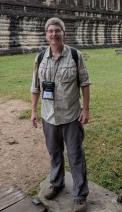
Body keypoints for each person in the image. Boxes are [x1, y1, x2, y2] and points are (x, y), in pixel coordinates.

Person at [30, 17, 91, 212]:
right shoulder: (40, 58)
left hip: (71, 115)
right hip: (49, 116)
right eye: (50, 31)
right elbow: (35, 87)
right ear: (46, 34)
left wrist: (86, 109)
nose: (54, 34)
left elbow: (85, 83)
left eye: (58, 30)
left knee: (75, 155)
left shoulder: (75, 55)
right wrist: (33, 111)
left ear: (64, 33)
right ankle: (56, 183)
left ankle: (80, 194)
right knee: (54, 153)